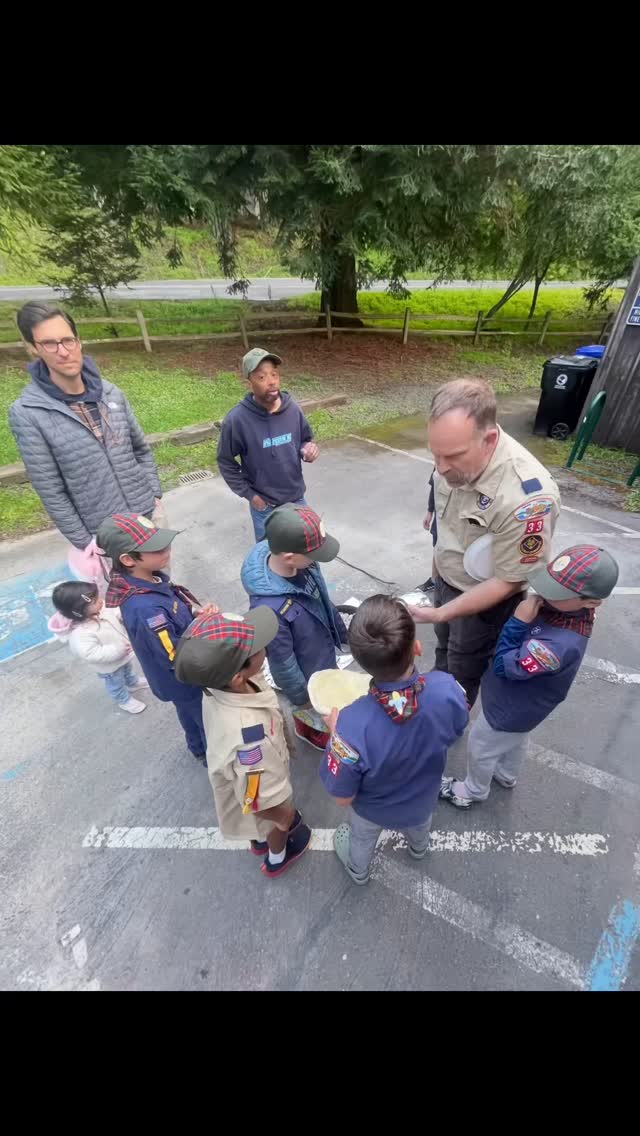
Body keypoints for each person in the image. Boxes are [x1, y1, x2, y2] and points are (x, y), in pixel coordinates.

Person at [409, 378, 561, 707]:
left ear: (489, 439)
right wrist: (437, 578)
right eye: (435, 454)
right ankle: (439, 689)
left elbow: (510, 580)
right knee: (445, 649)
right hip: (448, 583)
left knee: (464, 666)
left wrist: (440, 613)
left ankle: (450, 717)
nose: (441, 467)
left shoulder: (526, 499)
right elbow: (446, 521)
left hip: (483, 602)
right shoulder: (451, 458)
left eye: (452, 456)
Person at [440, 545, 619, 809]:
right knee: (516, 739)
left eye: (559, 593)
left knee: (482, 745)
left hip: (509, 706)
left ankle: (473, 790)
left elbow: (504, 665)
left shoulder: (556, 646)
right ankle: (506, 775)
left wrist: (518, 622)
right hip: (528, 708)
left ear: (590, 602)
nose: (545, 593)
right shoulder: (575, 612)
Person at [318, 595, 469, 885]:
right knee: (420, 826)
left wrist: (336, 734)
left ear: (360, 664)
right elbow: (456, 729)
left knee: (361, 839)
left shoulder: (350, 725)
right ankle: (418, 848)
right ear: (417, 648)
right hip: (423, 799)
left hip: (374, 810)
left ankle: (359, 871)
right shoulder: (448, 689)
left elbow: (342, 797)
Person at [9, 302, 164, 551]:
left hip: (147, 517)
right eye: (50, 343)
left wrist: (155, 495)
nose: (63, 351)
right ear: (33, 348)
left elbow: (140, 450)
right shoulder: (28, 413)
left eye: (67, 340)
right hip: (104, 536)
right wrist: (85, 542)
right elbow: (51, 490)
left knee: (162, 586)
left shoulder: (111, 393)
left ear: (78, 341)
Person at [175, 607, 312, 878]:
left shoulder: (218, 683)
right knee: (272, 826)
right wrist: (282, 816)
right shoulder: (250, 738)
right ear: (238, 676)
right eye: (258, 647)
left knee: (259, 824)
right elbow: (258, 797)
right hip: (261, 794)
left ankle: (260, 840)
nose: (265, 647)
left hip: (244, 780)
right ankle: (277, 856)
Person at [96, 512, 218, 766]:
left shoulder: (151, 579)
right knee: (205, 718)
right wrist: (206, 637)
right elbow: (173, 655)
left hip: (179, 674)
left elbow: (175, 605)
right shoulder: (145, 608)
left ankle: (197, 748)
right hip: (183, 678)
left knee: (188, 713)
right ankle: (214, 758)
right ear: (129, 559)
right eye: (155, 548)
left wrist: (196, 612)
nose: (166, 550)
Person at [240, 503, 348, 751]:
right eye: (314, 554)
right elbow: (283, 662)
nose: (317, 559)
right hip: (304, 668)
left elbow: (321, 599)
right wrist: (302, 700)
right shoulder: (270, 609)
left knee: (327, 687)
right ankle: (307, 729)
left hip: (320, 650)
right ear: (289, 557)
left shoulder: (305, 563)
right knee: (312, 707)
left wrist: (340, 632)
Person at [217, 347, 320, 541]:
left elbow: (305, 439)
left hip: (297, 498)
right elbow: (226, 461)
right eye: (262, 377)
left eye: (274, 374)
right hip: (265, 506)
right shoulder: (237, 420)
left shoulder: (293, 409)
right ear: (249, 382)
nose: (271, 381)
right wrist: (251, 496)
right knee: (269, 558)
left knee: (307, 550)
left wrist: (308, 448)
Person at [48, 580, 149, 715]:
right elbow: (90, 653)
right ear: (79, 611)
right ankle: (123, 700)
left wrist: (122, 616)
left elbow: (114, 613)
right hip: (109, 667)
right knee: (116, 682)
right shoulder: (81, 633)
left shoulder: (101, 610)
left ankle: (132, 682)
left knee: (127, 669)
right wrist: (117, 650)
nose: (101, 601)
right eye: (95, 601)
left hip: (123, 654)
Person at [417, 469, 437, 592]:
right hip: (442, 516)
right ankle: (434, 581)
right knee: (438, 546)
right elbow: (434, 487)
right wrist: (430, 511)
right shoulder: (440, 465)